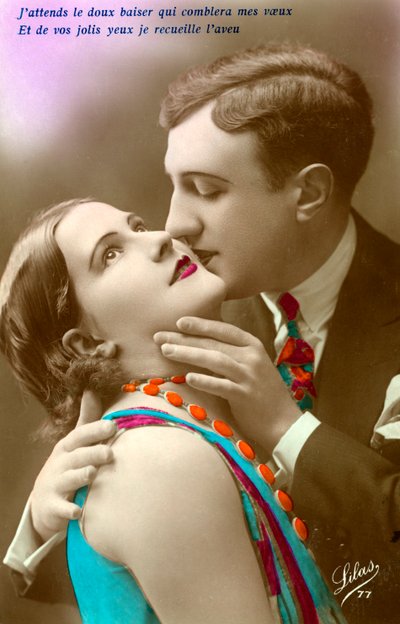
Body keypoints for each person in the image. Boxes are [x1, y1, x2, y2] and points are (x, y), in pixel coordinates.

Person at [4, 43, 400, 622]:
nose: (174, 225)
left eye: (208, 189)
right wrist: (45, 516)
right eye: (173, 185)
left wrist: (287, 430)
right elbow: (137, 547)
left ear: (309, 193)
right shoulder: (181, 319)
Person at [0, 199, 346, 623]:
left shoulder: (207, 413)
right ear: (86, 345)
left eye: (139, 226)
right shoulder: (153, 460)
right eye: (110, 253)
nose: (163, 238)